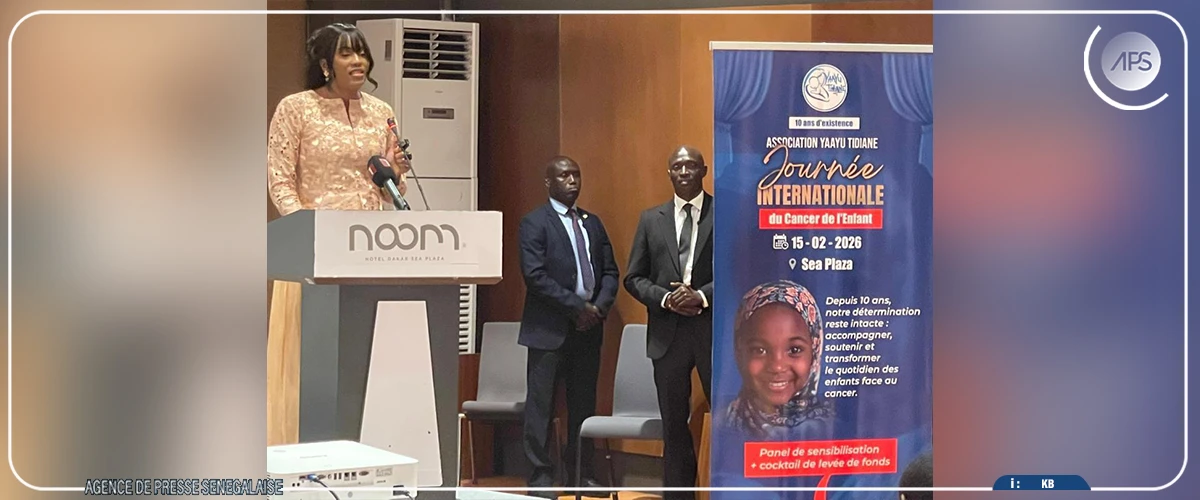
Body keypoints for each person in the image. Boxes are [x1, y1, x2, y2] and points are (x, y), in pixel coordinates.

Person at [517, 156, 619, 499]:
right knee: (541, 406)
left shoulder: (592, 223)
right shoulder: (535, 222)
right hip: (548, 329)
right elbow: (535, 276)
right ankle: (540, 476)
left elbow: (610, 272)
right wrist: (577, 307)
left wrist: (598, 308)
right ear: (549, 182)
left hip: (588, 329)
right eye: (564, 176)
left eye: (576, 175)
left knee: (582, 405)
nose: (572, 181)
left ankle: (580, 475)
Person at [623, 145, 714, 500]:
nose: (684, 172)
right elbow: (634, 277)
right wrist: (666, 298)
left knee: (726, 417)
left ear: (704, 171)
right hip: (667, 334)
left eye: (691, 166)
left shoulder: (723, 214)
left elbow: (738, 268)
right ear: (669, 173)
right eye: (677, 167)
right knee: (674, 425)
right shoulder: (651, 219)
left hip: (710, 330)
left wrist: (701, 296)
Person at [267, 22, 409, 217]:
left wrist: (396, 173)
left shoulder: (381, 111)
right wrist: (302, 226)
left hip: (369, 230)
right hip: (315, 228)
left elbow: (391, 196)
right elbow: (280, 183)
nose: (358, 61)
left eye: (362, 54)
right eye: (346, 54)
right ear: (325, 65)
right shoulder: (295, 108)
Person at [723, 280, 834, 439]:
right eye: (759, 350)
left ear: (815, 350)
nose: (777, 366)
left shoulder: (839, 429)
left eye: (794, 350)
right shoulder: (723, 425)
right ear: (739, 351)